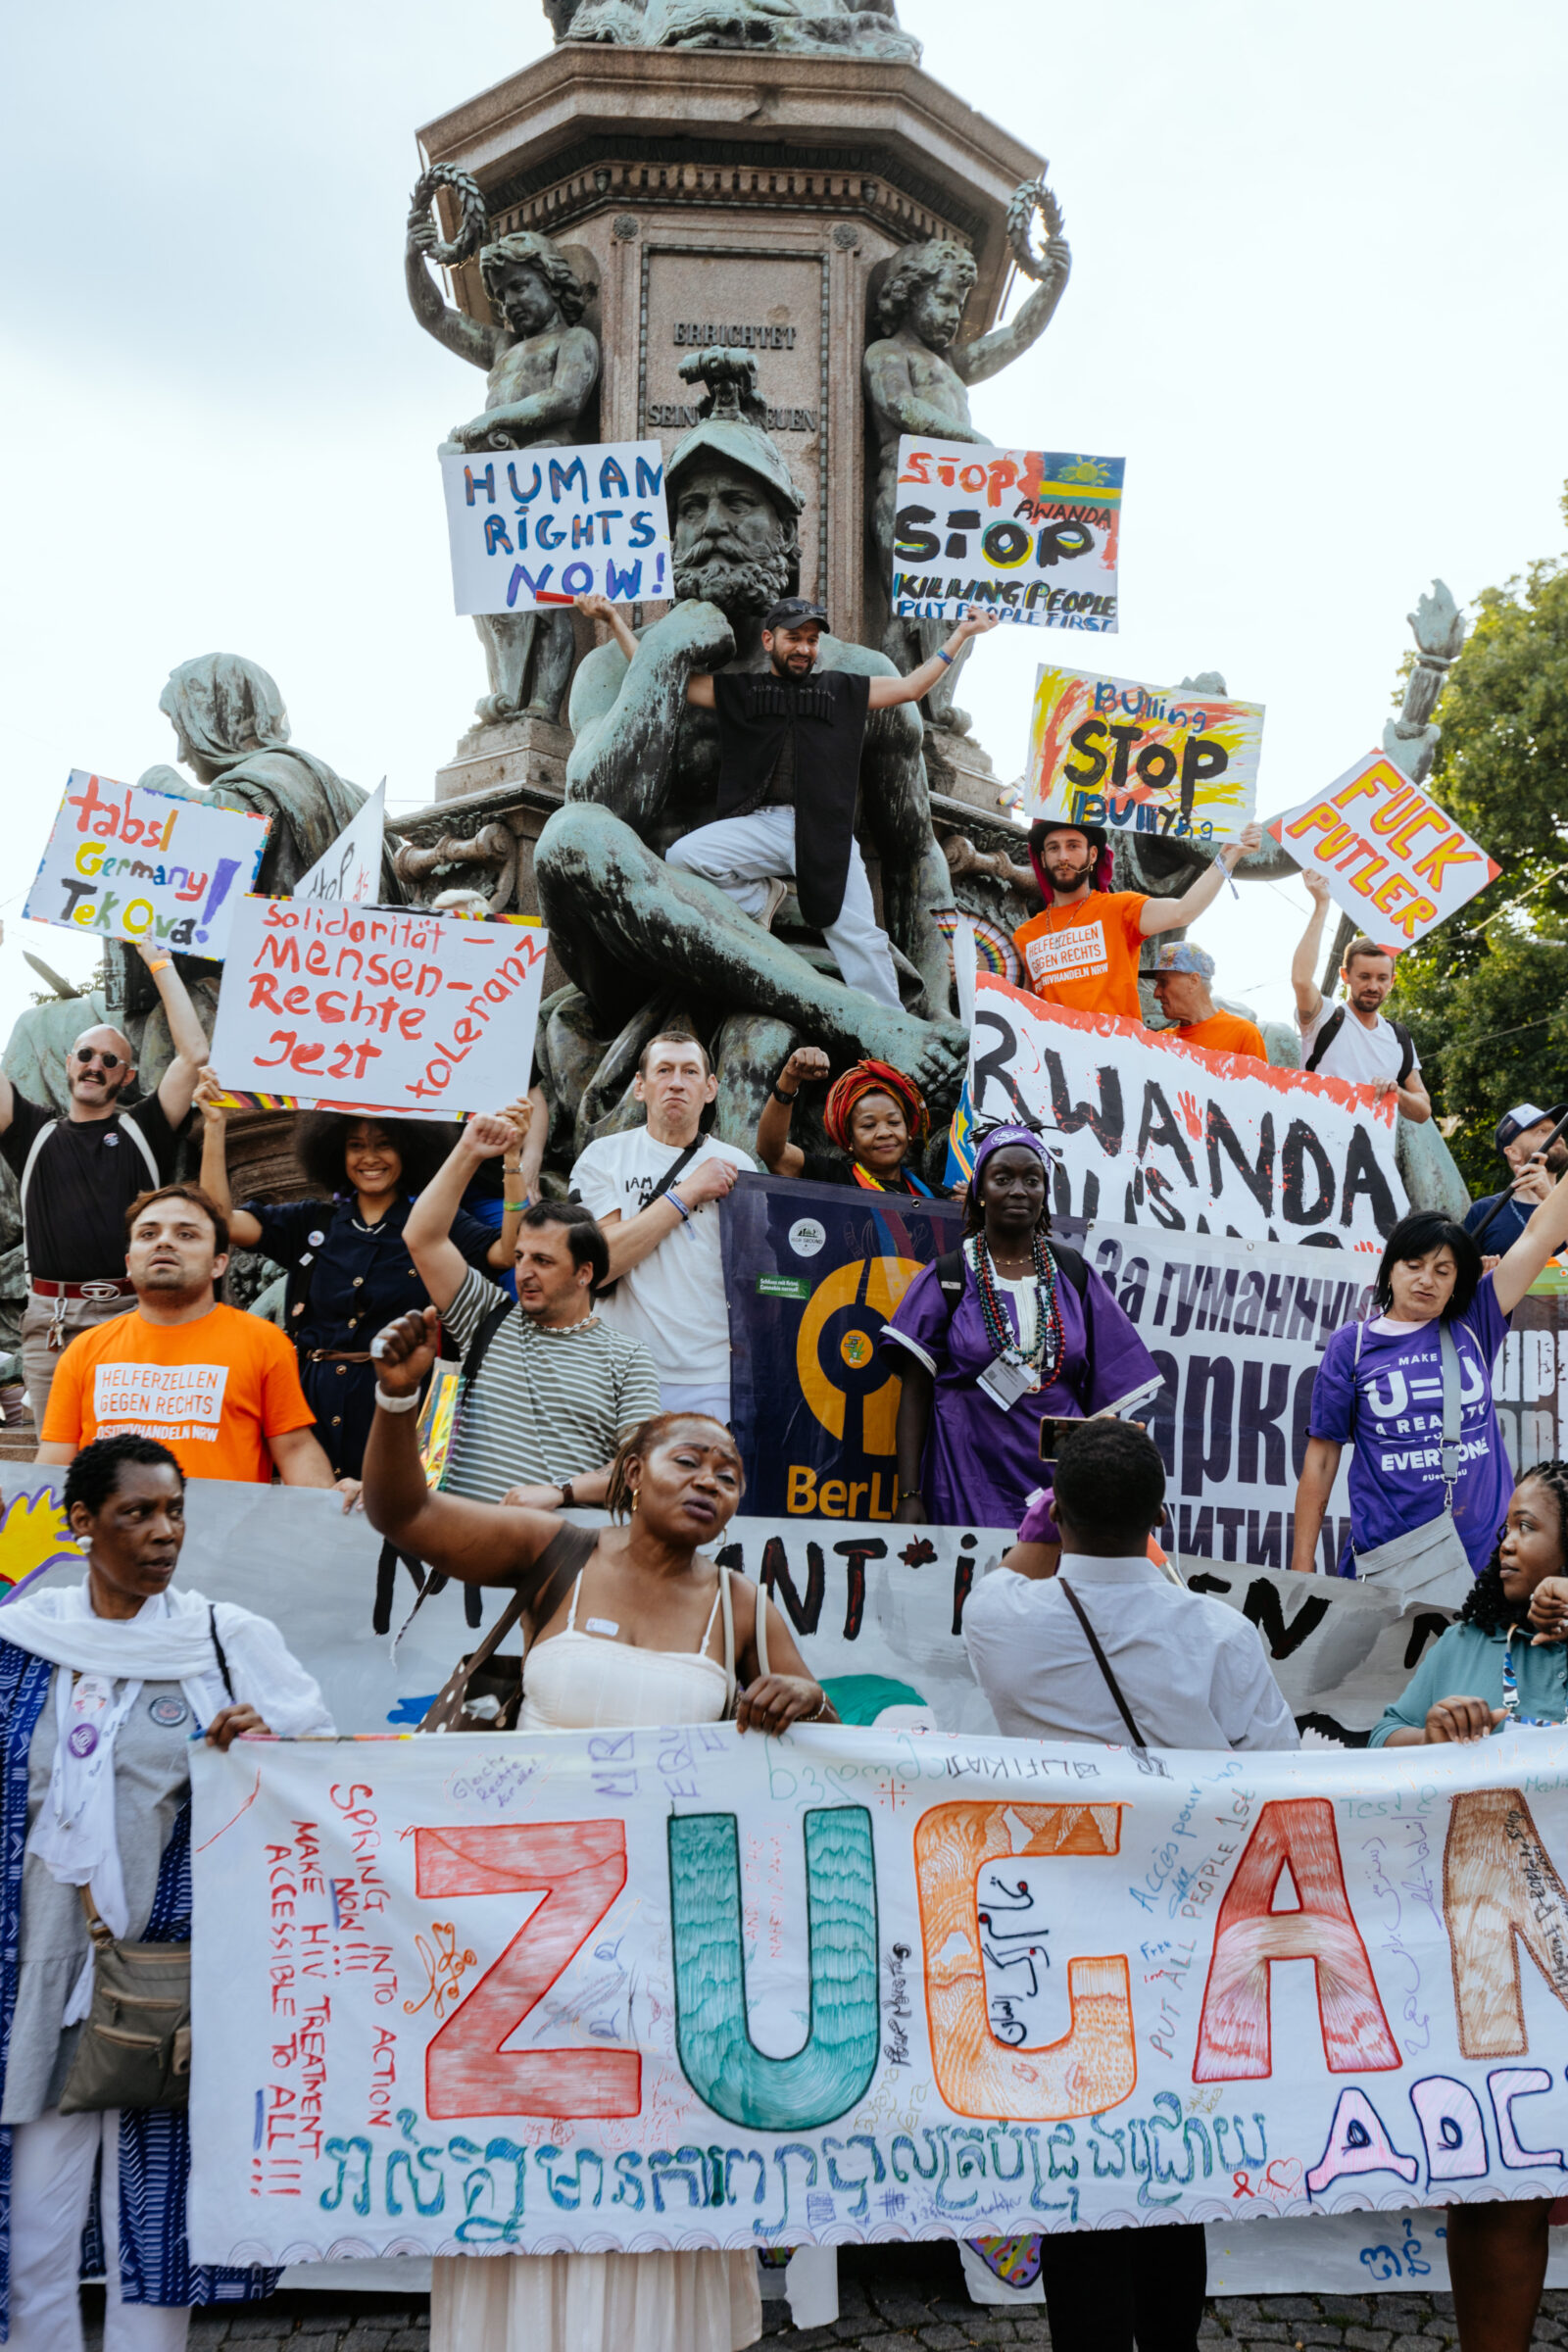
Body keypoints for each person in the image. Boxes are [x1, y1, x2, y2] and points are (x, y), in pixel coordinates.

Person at [361, 1313, 835, 2352]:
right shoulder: (553, 1553)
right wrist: (399, 1400)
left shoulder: (743, 1605)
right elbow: (400, 1511)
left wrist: (800, 1696)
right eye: (687, 1458)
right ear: (631, 1470)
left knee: (649, 2165)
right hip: (521, 1944)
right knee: (534, 2164)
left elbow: (832, 1767)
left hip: (668, 1954)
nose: (710, 1479)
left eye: (729, 1470)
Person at [962, 1420, 1296, 2352]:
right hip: (1183, 1939)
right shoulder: (1222, 1634)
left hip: (1048, 1941)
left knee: (1077, 2170)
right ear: (1163, 1516)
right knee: (1170, 2167)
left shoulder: (999, 1619)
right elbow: (1275, 1772)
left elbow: (1016, 1568)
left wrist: (1044, 1522)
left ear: (1055, 1512)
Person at [0, 1432, 333, 2350]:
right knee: (35, 2237)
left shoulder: (222, 1640)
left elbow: (322, 1774)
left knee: (162, 2231)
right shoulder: (22, 1645)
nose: (164, 1533)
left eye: (175, 1511)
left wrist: (262, 1748)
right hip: (39, 1981)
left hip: (174, 1985)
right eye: (137, 1513)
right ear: (81, 1525)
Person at [1366, 1459, 1568, 2352]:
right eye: (1506, 1526)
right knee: (1499, 2182)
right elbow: (1376, 1742)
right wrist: (1427, 1731)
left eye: (1528, 1525)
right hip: (1494, 1971)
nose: (1506, 1541)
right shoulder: (1465, 1640)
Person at [577, 591, 1000, 1011]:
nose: (803, 648)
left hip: (826, 832)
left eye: (812, 640)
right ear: (769, 641)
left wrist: (960, 634)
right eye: (794, 638)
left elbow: (910, 687)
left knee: (857, 934)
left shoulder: (843, 690)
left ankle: (891, 1025)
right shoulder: (744, 692)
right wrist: (614, 619)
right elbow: (664, 676)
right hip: (761, 824)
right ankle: (768, 899)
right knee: (685, 857)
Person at [194, 1077, 520, 1480]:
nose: (370, 1158)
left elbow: (508, 1252)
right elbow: (220, 1224)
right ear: (334, 1151)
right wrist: (214, 1126)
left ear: (408, 1149)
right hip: (309, 1414)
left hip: (406, 1411)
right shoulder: (309, 1222)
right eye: (356, 1145)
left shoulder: (433, 1227)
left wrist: (512, 1160)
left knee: (401, 1534)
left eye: (384, 1143)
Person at [882, 1125, 1161, 1530]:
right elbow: (915, 1393)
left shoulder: (1073, 1275)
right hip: (965, 1477)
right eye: (1002, 1178)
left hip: (1059, 1483)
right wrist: (909, 1494)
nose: (1018, 1190)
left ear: (1044, 1193)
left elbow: (1107, 1404)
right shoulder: (949, 1276)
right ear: (979, 1190)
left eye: (1032, 1180)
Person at [1291, 1174, 1568, 1579]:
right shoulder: (1351, 1346)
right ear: (1390, 1270)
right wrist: (1302, 1565)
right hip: (1389, 1559)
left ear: (1457, 1281)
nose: (1426, 1280)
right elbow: (1321, 1458)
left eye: (1443, 1270)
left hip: (1484, 1560)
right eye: (1414, 1265)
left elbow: (1539, 1235)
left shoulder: (1475, 1319)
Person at [0, 944, 210, 1430]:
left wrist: (157, 960)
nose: (96, 1064)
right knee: (56, 1462)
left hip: (133, 1317)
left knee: (130, 1459)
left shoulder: (144, 1129)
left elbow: (195, 1053)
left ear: (128, 1075)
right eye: (87, 1054)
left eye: (110, 1059)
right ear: (70, 1062)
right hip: (51, 1326)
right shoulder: (32, 1132)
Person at [402, 1115, 662, 1507]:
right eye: (520, 1257)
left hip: (555, 1559)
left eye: (543, 1260)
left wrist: (561, 1493)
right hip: (456, 1548)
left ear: (584, 1273)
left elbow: (641, 1470)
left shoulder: (627, 1357)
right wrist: (469, 1150)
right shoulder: (485, 1316)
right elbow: (421, 1237)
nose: (523, 1272)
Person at [35, 1186, 355, 1496]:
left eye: (185, 1234)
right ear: (130, 1263)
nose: (164, 1242)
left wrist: (328, 1507)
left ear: (219, 1264)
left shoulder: (264, 1342)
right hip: (112, 1546)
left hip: (221, 1546)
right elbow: (53, 1463)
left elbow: (295, 1448)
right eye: (148, 1234)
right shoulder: (85, 1350)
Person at [568, 1033, 755, 1423]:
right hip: (620, 1368)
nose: (676, 1082)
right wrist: (687, 1193)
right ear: (640, 1086)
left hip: (713, 1374)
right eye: (664, 1070)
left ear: (710, 1089)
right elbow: (601, 1264)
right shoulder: (604, 1157)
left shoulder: (739, 1165)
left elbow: (754, 1273)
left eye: (689, 1072)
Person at [1012, 817, 1264, 1021]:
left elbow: (1183, 911)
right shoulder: (1025, 935)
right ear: (1043, 859)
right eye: (1053, 848)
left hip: (1117, 1065)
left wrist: (1228, 855)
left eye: (1073, 845)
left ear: (1091, 855)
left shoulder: (1119, 908)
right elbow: (1018, 1006)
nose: (1063, 856)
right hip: (1055, 1069)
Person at [1290, 869, 1432, 1119]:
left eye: (1381, 978)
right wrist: (1321, 904)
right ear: (1345, 976)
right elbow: (1301, 980)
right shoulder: (1323, 1017)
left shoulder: (1399, 1037)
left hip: (1370, 1154)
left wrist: (1395, 1091)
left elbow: (1423, 1111)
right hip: (1313, 1148)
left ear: (1392, 981)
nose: (1373, 987)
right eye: (1364, 977)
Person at [755, 1049, 936, 1193]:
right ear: (850, 1139)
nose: (884, 1133)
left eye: (894, 1122)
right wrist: (790, 1079)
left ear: (909, 1132)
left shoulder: (926, 1194)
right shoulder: (832, 1178)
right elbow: (773, 1153)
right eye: (869, 1125)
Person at [1463, 1101, 1568, 1256]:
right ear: (1513, 1153)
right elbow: (1461, 1274)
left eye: (1557, 1131)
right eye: (1541, 1131)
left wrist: (1550, 1197)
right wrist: (1481, 1275)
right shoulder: (1484, 1212)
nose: (1557, 1136)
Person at [1146, 940, 1267, 1060]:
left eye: (1163, 982)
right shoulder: (1160, 1042)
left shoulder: (1243, 1035)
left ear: (1193, 981)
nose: (1156, 993)